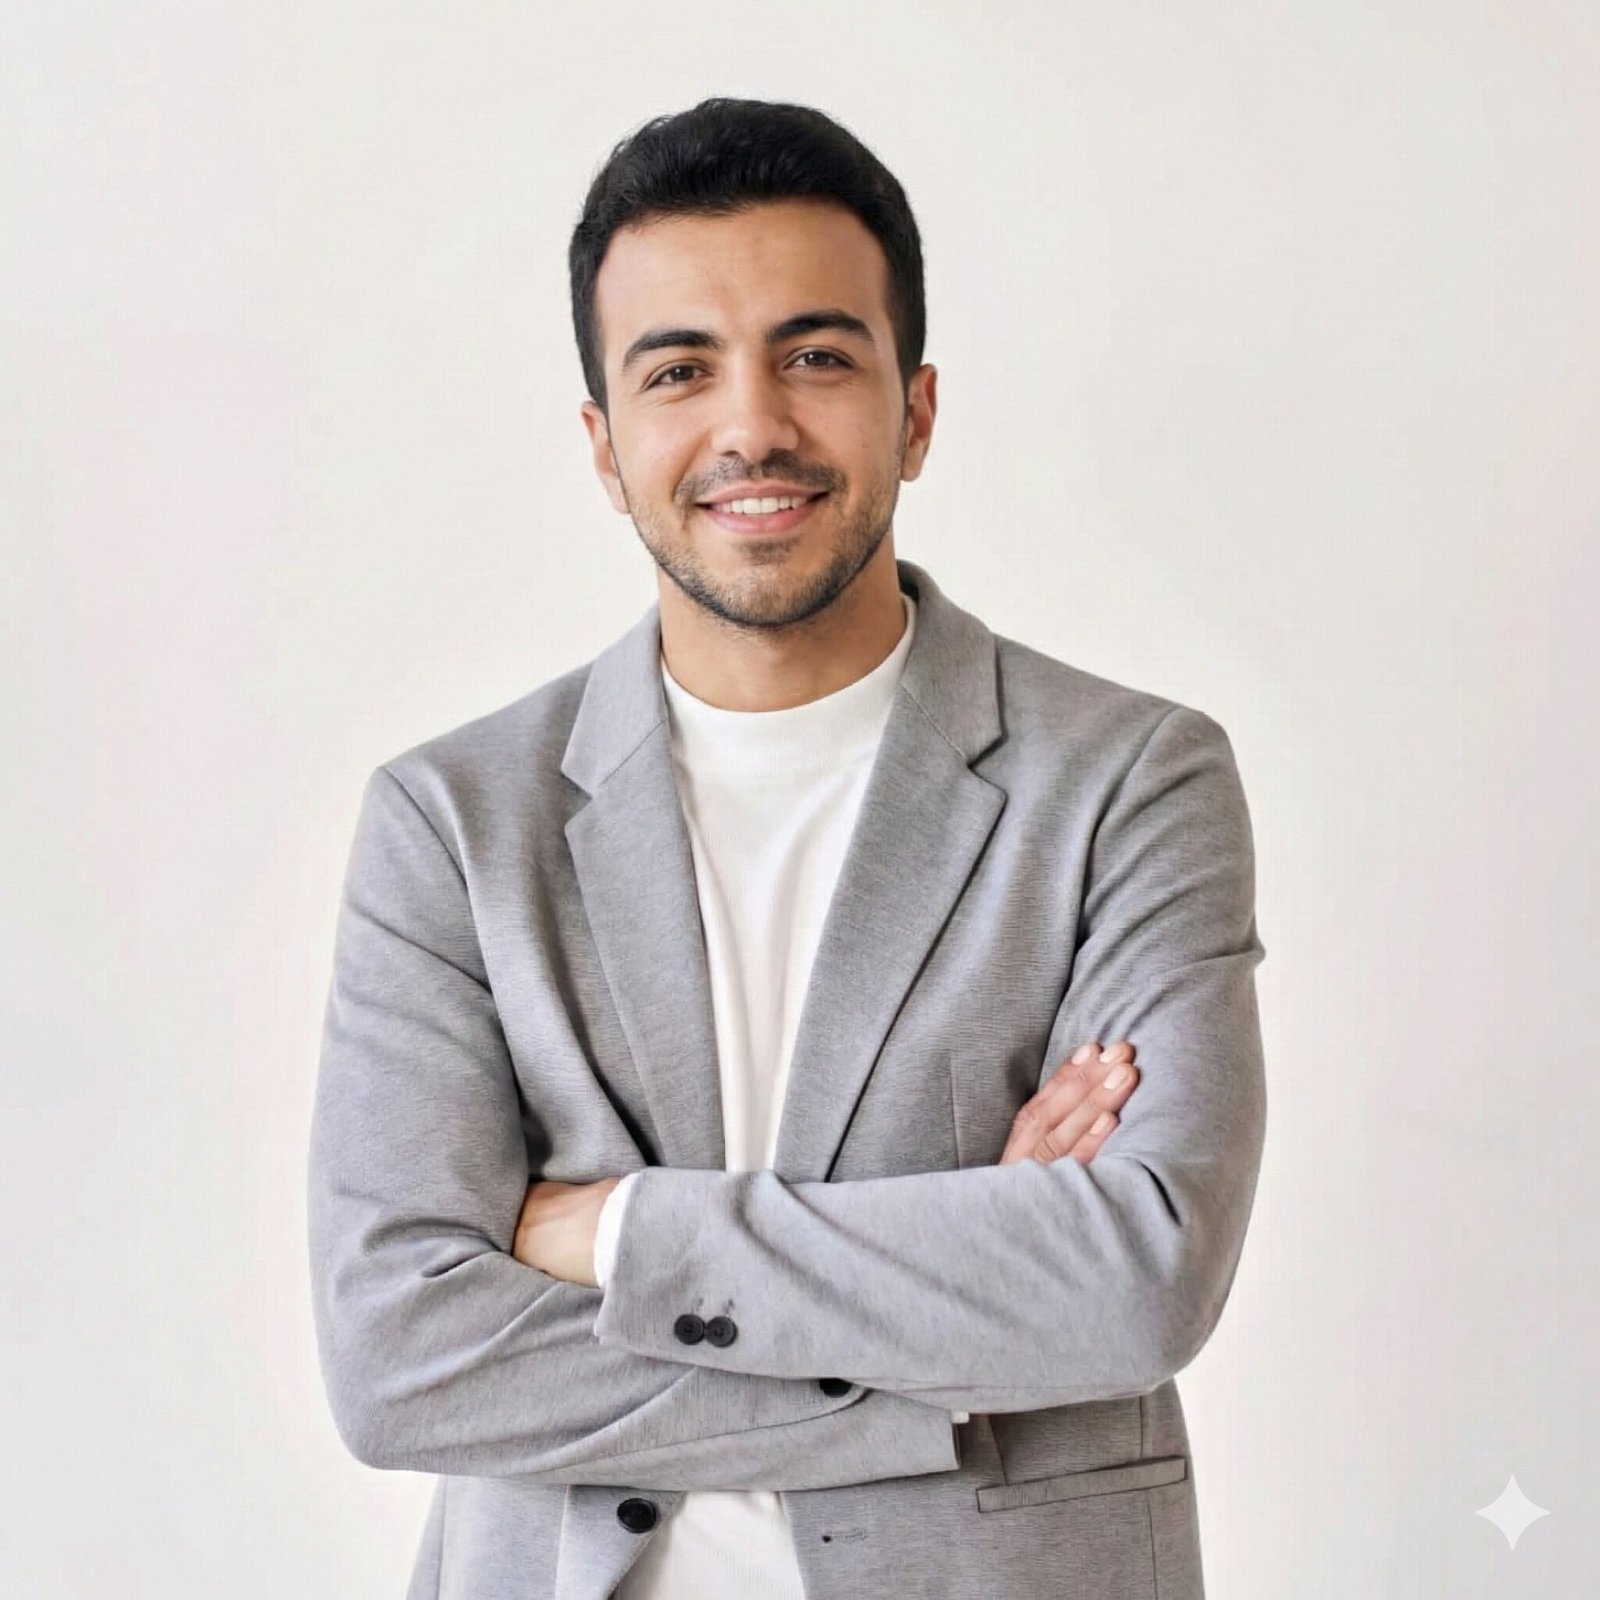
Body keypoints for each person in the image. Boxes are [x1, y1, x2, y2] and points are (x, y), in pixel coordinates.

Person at [308, 96, 1267, 1600]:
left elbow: (1138, 1279)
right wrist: (946, 1346)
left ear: (917, 412)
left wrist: (619, 1233)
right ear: (605, 446)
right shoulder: (454, 820)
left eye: (816, 357)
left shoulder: (1130, 781)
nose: (752, 425)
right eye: (679, 370)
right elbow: (400, 1359)